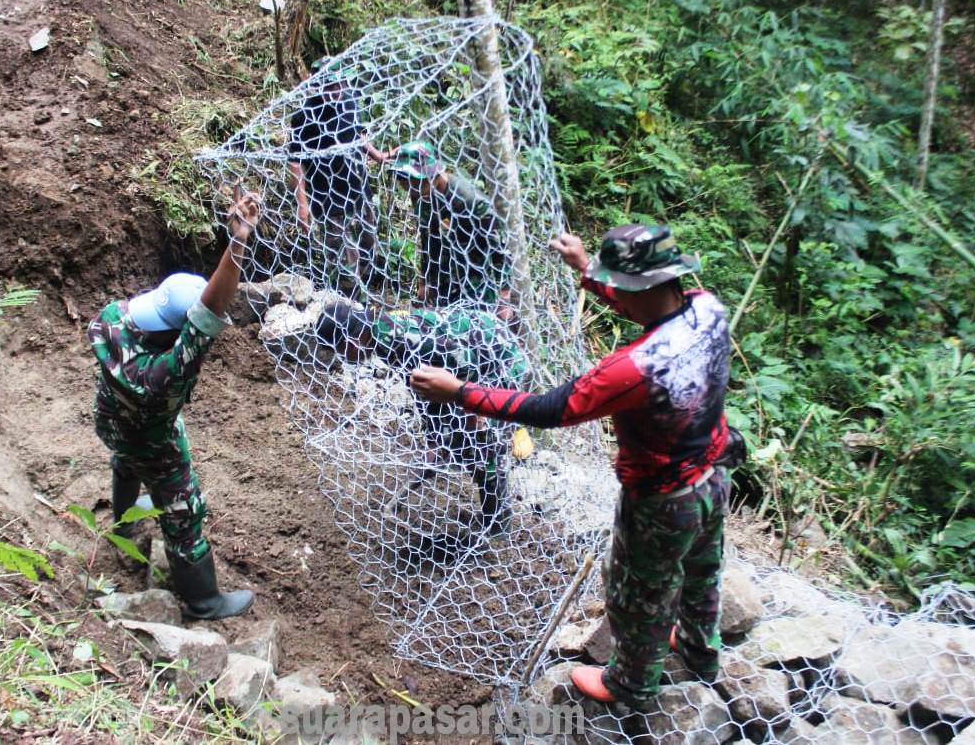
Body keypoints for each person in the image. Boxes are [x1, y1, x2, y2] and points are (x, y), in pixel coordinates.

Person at [410, 224, 734, 710]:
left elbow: (548, 409)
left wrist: (459, 391)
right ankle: (699, 651)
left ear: (639, 287)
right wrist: (586, 269)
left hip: (663, 501)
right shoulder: (708, 308)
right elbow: (644, 302)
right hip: (716, 475)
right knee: (702, 570)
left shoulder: (632, 369)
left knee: (637, 595)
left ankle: (631, 684)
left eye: (618, 285)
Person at [88, 192, 261, 621]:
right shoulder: (167, 373)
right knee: (184, 509)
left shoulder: (110, 320)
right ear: (178, 336)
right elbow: (207, 313)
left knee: (124, 461)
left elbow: (194, 313)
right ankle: (204, 601)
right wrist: (237, 243)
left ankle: (124, 524)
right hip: (155, 441)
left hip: (111, 420)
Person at [314, 300, 530, 536]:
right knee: (457, 440)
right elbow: (422, 386)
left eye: (340, 349)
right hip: (474, 363)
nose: (343, 357)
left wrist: (475, 412)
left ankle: (498, 528)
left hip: (499, 361)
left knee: (486, 443)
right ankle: (489, 510)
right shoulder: (382, 337)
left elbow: (462, 358)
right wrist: (433, 437)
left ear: (350, 339)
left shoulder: (396, 337)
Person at [289, 57, 391, 295]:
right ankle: (351, 297)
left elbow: (358, 133)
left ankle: (367, 285)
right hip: (328, 194)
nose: (334, 91)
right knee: (342, 248)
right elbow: (295, 163)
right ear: (316, 84)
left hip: (358, 186)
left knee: (368, 236)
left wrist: (378, 155)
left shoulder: (351, 100)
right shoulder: (304, 116)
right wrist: (302, 205)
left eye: (338, 85)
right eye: (327, 86)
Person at [387, 141, 512, 314]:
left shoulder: (472, 202)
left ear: (432, 175)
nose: (405, 186)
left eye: (410, 180)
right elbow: (428, 241)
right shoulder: (424, 198)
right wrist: (425, 282)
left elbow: (501, 249)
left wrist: (504, 296)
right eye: (402, 179)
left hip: (476, 283)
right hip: (443, 284)